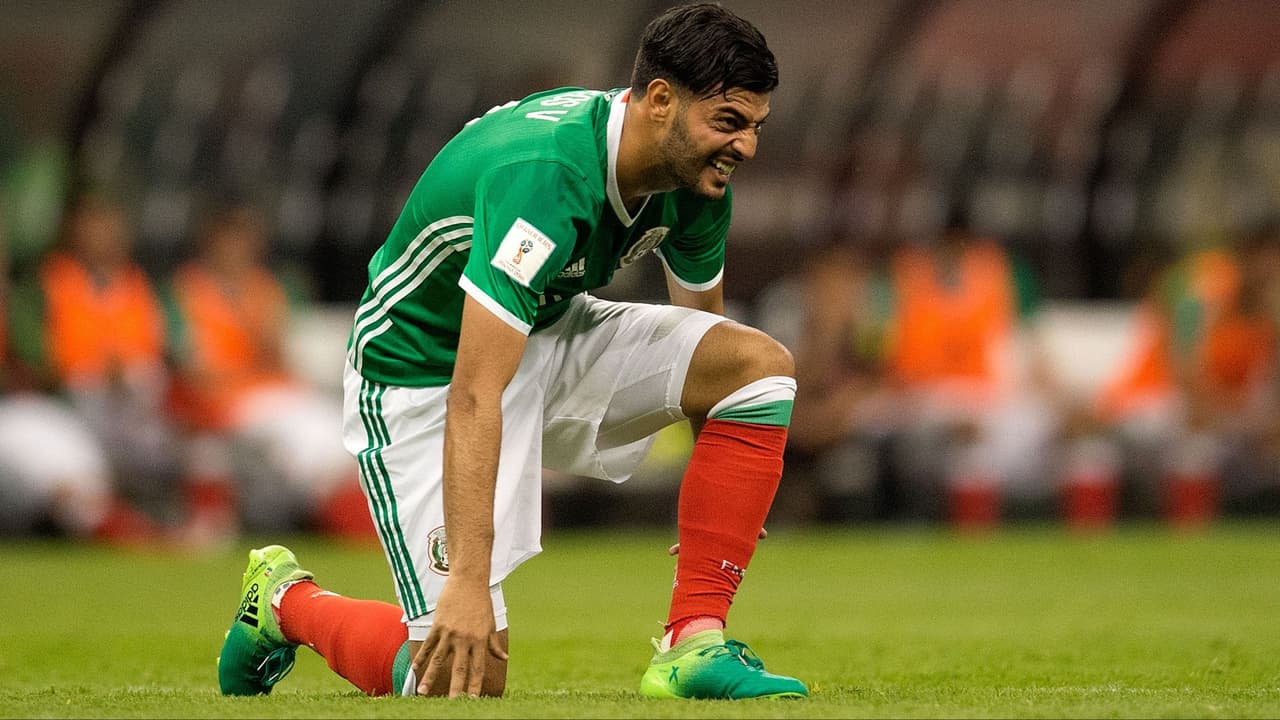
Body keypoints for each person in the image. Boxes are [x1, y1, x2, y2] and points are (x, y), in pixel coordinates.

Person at [217, 3, 807, 701]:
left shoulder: (697, 178)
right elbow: (474, 390)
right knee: (457, 680)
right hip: (423, 373)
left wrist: (721, 501)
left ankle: (694, 645)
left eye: (756, 126)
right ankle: (283, 603)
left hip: (548, 332)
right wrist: (468, 582)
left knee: (757, 369)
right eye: (730, 122)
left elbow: (708, 344)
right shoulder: (548, 174)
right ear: (659, 101)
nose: (746, 147)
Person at [164, 205, 374, 543]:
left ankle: (359, 517)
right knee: (310, 439)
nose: (237, 250)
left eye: (244, 241)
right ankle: (355, 523)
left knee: (340, 426)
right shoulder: (186, 291)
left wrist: (265, 344)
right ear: (210, 243)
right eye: (229, 241)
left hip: (276, 392)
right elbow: (189, 369)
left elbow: (283, 357)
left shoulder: (267, 288)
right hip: (227, 401)